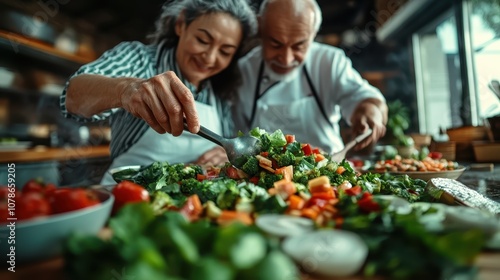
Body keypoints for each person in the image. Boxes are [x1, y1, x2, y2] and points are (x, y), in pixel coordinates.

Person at [60, 0, 257, 185]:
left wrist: (221, 153)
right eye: (202, 40)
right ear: (181, 24)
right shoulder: (138, 59)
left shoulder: (219, 94)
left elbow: (229, 145)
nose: (210, 57)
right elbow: (72, 96)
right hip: (127, 195)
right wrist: (125, 89)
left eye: (225, 52)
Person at [232, 0, 388, 155]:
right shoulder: (244, 71)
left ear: (313, 34)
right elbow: (235, 137)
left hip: (330, 171)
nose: (286, 59)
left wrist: (369, 110)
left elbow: (365, 98)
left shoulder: (329, 62)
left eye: (298, 46)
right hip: (263, 176)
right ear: (261, 28)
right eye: (275, 44)